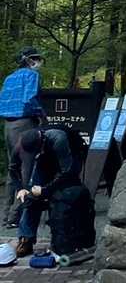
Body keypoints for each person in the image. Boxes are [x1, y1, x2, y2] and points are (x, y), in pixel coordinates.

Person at [13, 126, 83, 256]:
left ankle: (59, 238)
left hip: (68, 161)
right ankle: (26, 238)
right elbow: (13, 168)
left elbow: (66, 172)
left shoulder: (59, 139)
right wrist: (20, 189)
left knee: (60, 196)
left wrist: (45, 190)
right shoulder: (21, 143)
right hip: (44, 161)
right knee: (31, 198)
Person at [0, 48, 45, 228]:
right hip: (25, 123)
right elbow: (30, 98)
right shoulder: (31, 75)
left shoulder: (9, 78)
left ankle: (6, 215)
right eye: (37, 59)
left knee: (13, 168)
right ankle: (16, 215)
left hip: (8, 125)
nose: (39, 62)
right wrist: (41, 114)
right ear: (30, 60)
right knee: (27, 168)